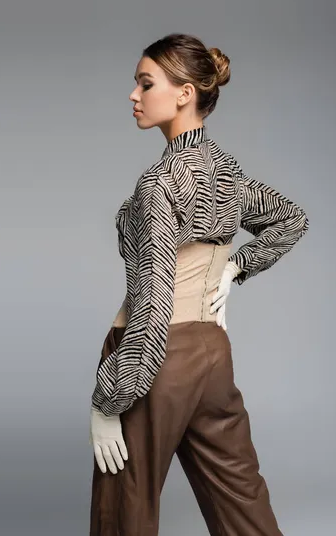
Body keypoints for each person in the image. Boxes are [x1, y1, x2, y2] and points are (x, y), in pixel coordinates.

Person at [88, 33, 309, 536]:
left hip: (154, 356)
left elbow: (151, 307)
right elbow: (289, 219)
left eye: (146, 83)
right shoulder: (225, 172)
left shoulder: (160, 183)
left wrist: (107, 403)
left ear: (184, 93)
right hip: (212, 350)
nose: (134, 95)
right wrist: (234, 269)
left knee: (125, 506)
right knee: (241, 498)